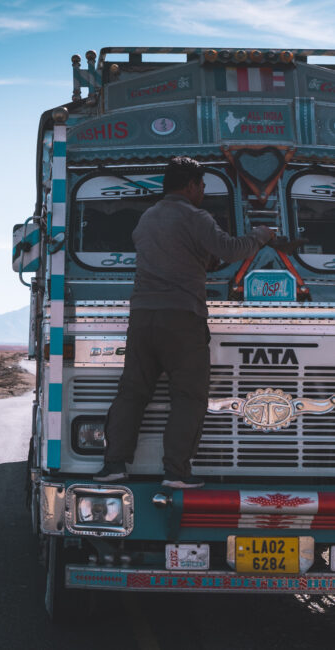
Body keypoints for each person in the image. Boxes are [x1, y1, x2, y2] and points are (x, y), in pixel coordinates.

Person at [94, 156, 275, 488]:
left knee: (132, 392)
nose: (203, 192)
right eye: (202, 186)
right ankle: (176, 472)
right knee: (188, 396)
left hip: (142, 317)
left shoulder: (147, 219)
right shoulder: (196, 217)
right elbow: (230, 249)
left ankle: (114, 465)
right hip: (181, 317)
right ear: (190, 185)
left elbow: (168, 254)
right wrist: (260, 236)